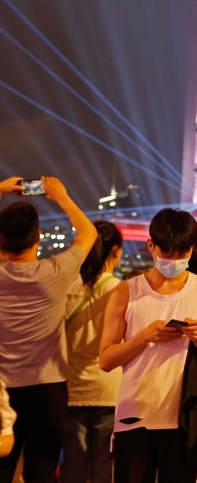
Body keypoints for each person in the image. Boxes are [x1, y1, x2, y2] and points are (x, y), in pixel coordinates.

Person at [98, 208, 197, 482]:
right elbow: (106, 360)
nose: (175, 261)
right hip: (134, 416)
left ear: (192, 248)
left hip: (184, 419)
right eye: (167, 254)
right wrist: (144, 336)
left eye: (182, 254)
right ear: (151, 246)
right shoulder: (127, 292)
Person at [0, 176, 97, 483]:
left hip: (2, 389)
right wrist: (61, 196)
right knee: (41, 472)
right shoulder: (55, 272)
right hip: (48, 388)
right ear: (38, 237)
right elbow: (88, 233)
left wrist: (0, 189)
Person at [61, 220, 124, 483]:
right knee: (104, 467)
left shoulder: (66, 287)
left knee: (73, 464)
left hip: (72, 386)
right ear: (116, 252)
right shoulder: (120, 289)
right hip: (108, 388)